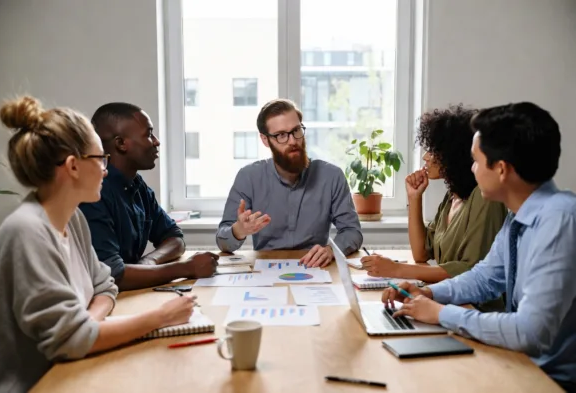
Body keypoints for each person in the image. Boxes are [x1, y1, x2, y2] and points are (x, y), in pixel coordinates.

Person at [0, 96, 198, 393]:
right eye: (100, 159)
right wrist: (161, 317)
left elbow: (105, 286)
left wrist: (86, 325)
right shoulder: (28, 232)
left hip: (71, 371)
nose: (105, 170)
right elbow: (71, 340)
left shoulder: (72, 217)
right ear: (73, 167)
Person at [382, 102, 576, 392]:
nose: (471, 169)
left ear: (501, 169)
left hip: (549, 381)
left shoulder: (559, 221)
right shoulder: (518, 216)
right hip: (520, 364)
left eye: (475, 160)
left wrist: (440, 313)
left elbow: (529, 332)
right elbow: (485, 277)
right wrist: (429, 292)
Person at [362, 105, 508, 311]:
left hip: (476, 309)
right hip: (450, 303)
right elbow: (421, 253)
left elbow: (470, 270)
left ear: (453, 155)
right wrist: (414, 198)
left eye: (433, 151)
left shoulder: (485, 200)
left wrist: (397, 269)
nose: (425, 157)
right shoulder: (452, 196)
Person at [79, 103, 218, 291]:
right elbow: (113, 275)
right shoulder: (95, 193)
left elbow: (174, 238)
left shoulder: (137, 185)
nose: (156, 141)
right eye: (149, 134)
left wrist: (148, 262)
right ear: (121, 144)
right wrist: (187, 268)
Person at [216, 98, 362, 267]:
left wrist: (331, 250)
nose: (292, 141)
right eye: (281, 135)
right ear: (265, 140)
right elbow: (222, 240)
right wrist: (239, 230)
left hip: (316, 268)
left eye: (296, 130)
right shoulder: (248, 177)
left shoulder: (332, 176)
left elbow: (352, 231)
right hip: (266, 273)